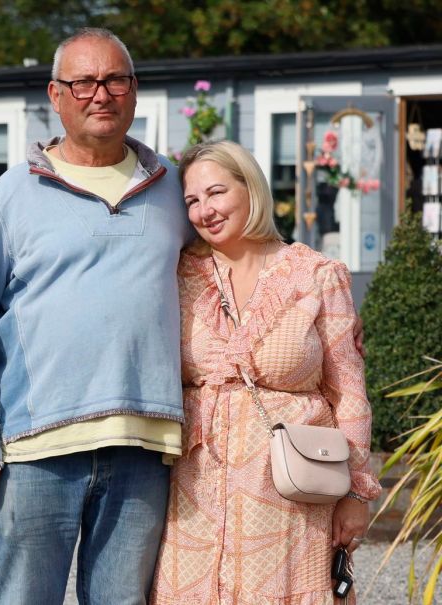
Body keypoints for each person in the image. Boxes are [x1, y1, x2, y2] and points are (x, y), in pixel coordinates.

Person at [0, 28, 195, 604]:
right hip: (35, 450)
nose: (99, 94)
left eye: (114, 80)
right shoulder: (9, 197)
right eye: (83, 82)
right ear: (56, 96)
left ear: (134, 91)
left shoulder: (175, 192)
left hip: (142, 446)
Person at [150, 140, 381, 604]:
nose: (204, 211)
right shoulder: (176, 275)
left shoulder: (316, 275)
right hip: (194, 492)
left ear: (250, 188)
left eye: (216, 193)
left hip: (291, 498)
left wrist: (356, 495)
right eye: (192, 201)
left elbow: (350, 393)